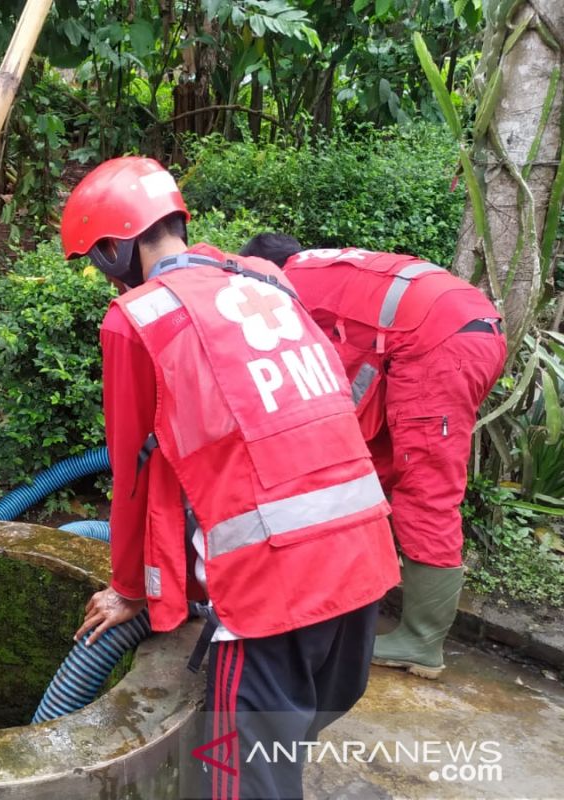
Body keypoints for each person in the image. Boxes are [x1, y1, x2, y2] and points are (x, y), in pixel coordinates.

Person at [61, 157, 399, 799]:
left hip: (271, 588)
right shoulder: (267, 277)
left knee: (235, 779)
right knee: (285, 745)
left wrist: (131, 589)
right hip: (364, 557)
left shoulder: (138, 317)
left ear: (113, 249)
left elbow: (134, 473)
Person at [240, 233, 507, 680]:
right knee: (371, 470)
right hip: (461, 328)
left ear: (262, 269)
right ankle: (347, 598)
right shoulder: (324, 269)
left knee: (425, 490)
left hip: (441, 345)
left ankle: (421, 641)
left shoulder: (280, 287)